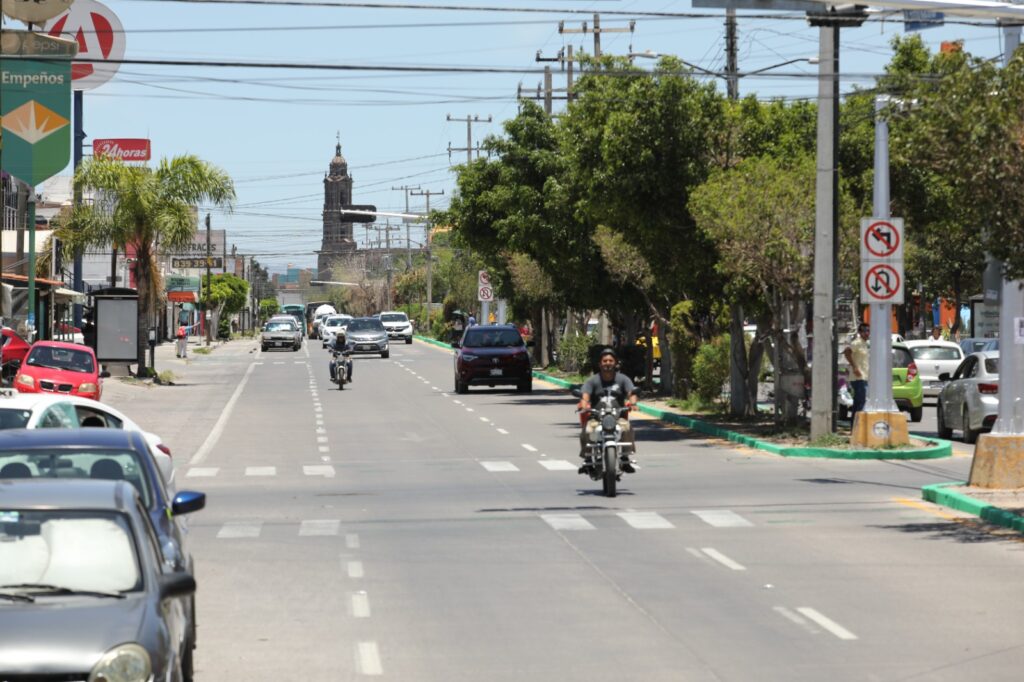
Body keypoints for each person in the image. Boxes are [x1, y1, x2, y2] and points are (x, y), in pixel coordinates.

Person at [576, 348, 639, 474]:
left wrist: (633, 403)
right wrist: (583, 405)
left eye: (611, 361)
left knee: (627, 428)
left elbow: (631, 392)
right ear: (600, 364)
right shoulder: (592, 380)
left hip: (617, 418)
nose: (608, 363)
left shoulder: (623, 379)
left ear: (615, 363)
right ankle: (587, 459)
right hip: (596, 418)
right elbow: (585, 395)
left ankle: (625, 458)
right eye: (605, 361)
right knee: (588, 430)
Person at [843, 323, 870, 422]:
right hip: (858, 378)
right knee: (860, 403)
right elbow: (847, 352)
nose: (867, 333)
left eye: (868, 331)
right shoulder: (857, 343)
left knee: (858, 403)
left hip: (863, 377)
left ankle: (855, 426)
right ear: (860, 332)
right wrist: (855, 367)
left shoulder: (864, 343)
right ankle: (857, 425)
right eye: (864, 331)